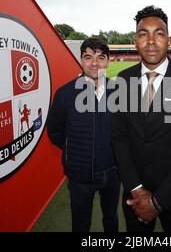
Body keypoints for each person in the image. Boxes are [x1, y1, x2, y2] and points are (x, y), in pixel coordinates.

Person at [112, 5, 171, 232]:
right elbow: (119, 137)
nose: (151, 41)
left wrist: (157, 202)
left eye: (159, 33)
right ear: (135, 41)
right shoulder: (123, 79)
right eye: (143, 34)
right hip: (133, 195)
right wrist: (136, 188)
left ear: (169, 39)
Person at [47, 38, 120, 232]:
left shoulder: (120, 92)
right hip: (79, 176)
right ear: (80, 59)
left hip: (113, 173)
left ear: (108, 62)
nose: (94, 63)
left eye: (100, 57)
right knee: (80, 224)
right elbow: (54, 131)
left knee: (111, 218)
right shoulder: (64, 94)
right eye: (88, 57)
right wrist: (75, 149)